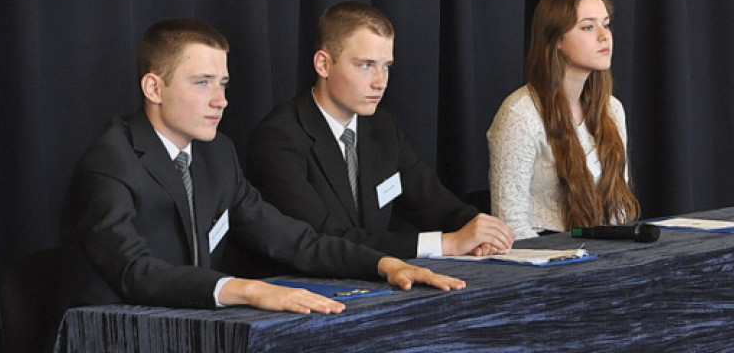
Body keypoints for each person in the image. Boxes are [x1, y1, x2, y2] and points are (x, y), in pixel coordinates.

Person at [58, 18, 464, 316]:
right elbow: (133, 271)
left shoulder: (217, 154)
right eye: (202, 83)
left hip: (195, 326)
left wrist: (381, 264)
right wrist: (248, 291)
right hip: (114, 333)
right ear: (153, 88)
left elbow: (292, 240)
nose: (220, 100)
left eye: (223, 84)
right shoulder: (110, 161)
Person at [245, 1, 514, 260]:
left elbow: (432, 202)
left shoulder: (382, 127)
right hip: (302, 293)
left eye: (386, 67)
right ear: (323, 64)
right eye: (365, 65)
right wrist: (446, 243)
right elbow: (323, 239)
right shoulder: (278, 138)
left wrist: (481, 232)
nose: (380, 82)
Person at [487, 0, 639, 240]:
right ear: (556, 40)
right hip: (545, 261)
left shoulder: (612, 109)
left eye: (606, 24)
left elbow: (618, 213)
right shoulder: (520, 113)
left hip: (604, 258)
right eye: (588, 27)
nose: (605, 36)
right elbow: (510, 224)